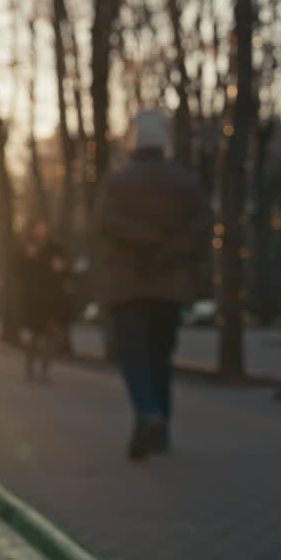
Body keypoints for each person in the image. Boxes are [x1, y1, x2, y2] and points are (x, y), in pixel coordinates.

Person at [94, 110, 210, 460]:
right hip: (169, 284)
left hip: (129, 285)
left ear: (135, 143)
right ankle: (161, 430)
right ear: (165, 142)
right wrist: (167, 248)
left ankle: (148, 413)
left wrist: (143, 241)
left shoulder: (118, 182)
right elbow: (202, 225)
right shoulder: (186, 182)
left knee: (134, 356)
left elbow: (104, 222)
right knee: (162, 356)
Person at [21, 220, 70, 382]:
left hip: (52, 299)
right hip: (35, 300)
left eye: (44, 229)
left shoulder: (56, 249)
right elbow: (21, 273)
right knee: (34, 335)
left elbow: (63, 272)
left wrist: (62, 268)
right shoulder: (30, 248)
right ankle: (29, 367)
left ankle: (45, 369)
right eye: (38, 229)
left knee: (51, 335)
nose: (41, 232)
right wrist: (28, 259)